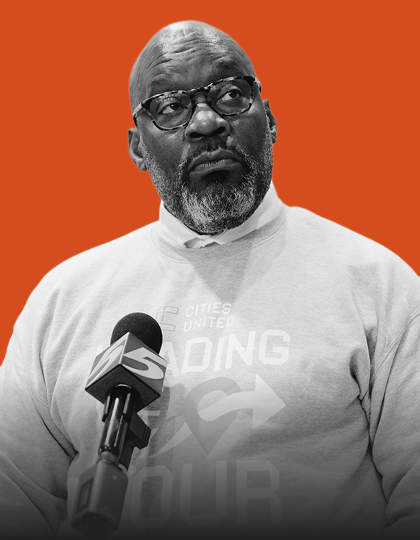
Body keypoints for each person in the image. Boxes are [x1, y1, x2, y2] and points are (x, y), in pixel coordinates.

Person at [0, 20, 419, 540]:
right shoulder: (64, 300)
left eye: (230, 94)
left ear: (270, 120)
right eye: (169, 107)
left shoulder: (375, 283)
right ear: (137, 148)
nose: (205, 121)